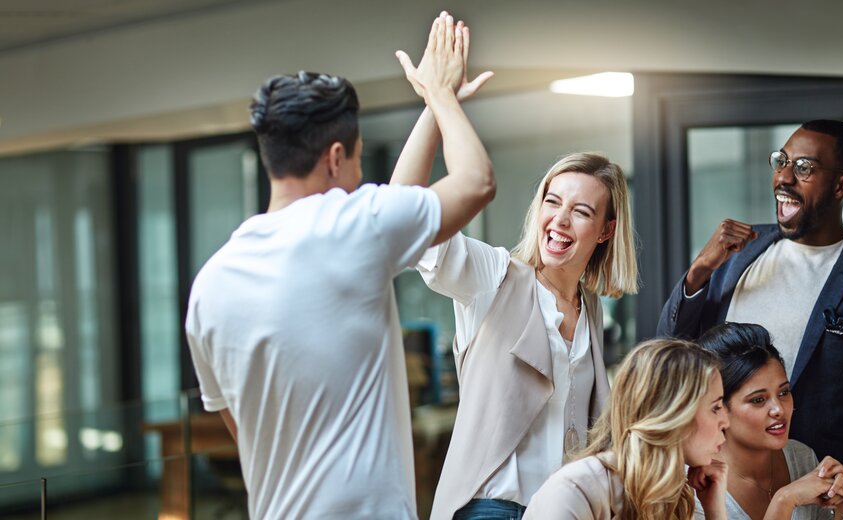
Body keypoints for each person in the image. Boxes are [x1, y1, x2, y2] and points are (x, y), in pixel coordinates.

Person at [184, 12, 496, 519]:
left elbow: (241, 429)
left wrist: (436, 110)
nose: (358, 177)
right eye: (356, 160)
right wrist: (440, 95)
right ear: (334, 158)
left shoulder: (210, 285)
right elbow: (476, 182)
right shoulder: (354, 227)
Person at [392, 124, 638, 518]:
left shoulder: (590, 309)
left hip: (564, 509)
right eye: (552, 202)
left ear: (606, 230)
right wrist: (436, 104)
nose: (559, 220)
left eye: (580, 211)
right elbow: (403, 215)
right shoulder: (494, 276)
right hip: (492, 508)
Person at [657, 120, 843, 472]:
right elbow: (670, 348)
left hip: (814, 481)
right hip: (712, 474)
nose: (783, 177)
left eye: (804, 167)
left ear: (842, 186)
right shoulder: (736, 252)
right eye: (781, 161)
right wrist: (700, 269)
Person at [523, 338, 730, 519]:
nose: (726, 422)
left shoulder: (673, 496)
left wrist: (716, 512)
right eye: (716, 408)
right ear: (674, 413)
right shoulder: (576, 489)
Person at [694, 322, 843, 520]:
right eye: (758, 400)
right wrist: (784, 500)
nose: (779, 409)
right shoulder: (692, 488)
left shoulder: (801, 457)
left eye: (784, 392)